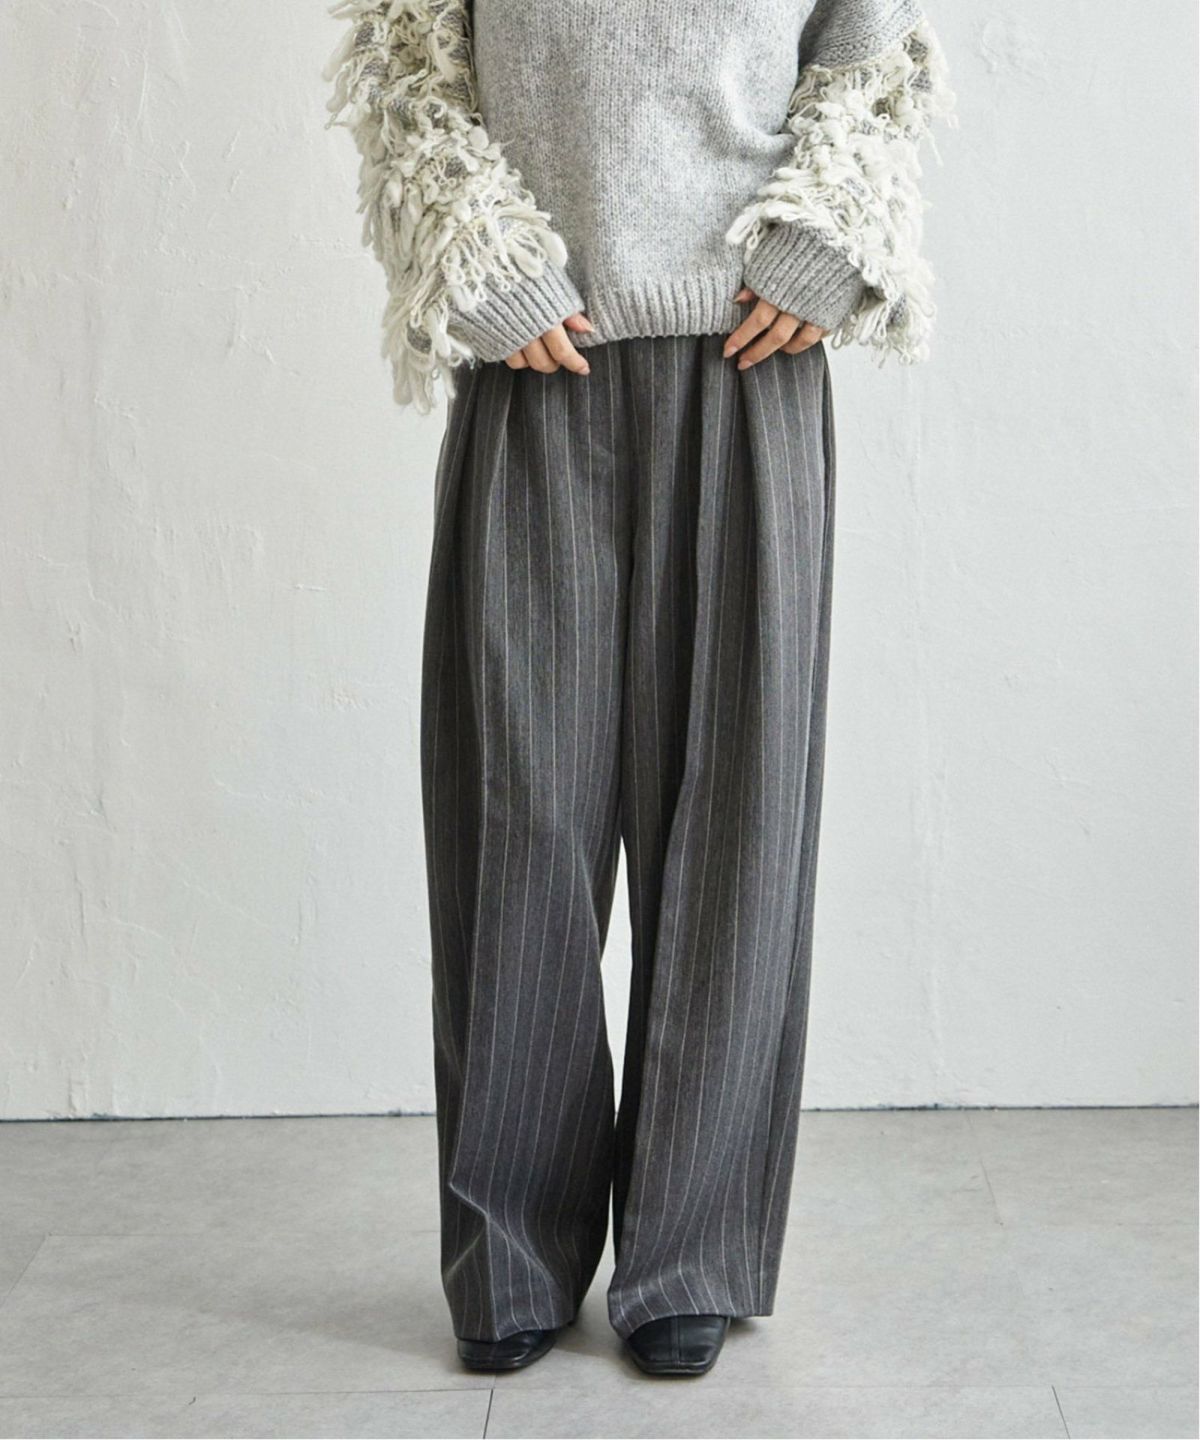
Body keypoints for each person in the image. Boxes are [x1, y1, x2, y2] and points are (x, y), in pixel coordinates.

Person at [324, 0, 955, 1378]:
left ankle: (693, 1250)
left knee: (737, 816)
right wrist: (475, 247)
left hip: (752, 356)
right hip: (537, 353)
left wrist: (828, 235)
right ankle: (511, 1251)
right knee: (514, 814)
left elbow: (875, 44)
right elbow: (407, 58)